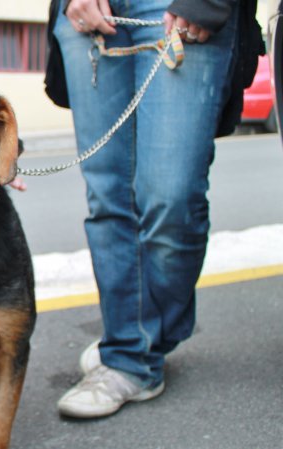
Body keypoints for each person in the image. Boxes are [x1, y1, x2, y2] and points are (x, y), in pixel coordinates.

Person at [45, 0, 264, 418]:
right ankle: (130, 352)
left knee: (171, 195)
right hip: (88, 12)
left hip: (177, 7)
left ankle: (142, 336)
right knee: (108, 197)